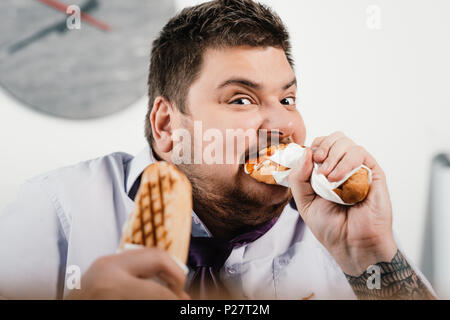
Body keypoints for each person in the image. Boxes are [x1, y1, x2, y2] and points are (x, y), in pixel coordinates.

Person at [0, 0, 436, 300]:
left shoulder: (332, 231)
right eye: (241, 99)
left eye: (288, 99)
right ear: (167, 126)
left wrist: (370, 254)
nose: (283, 124)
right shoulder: (57, 211)